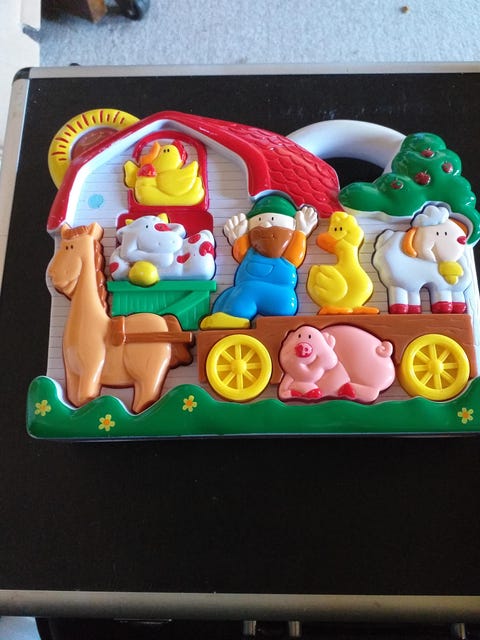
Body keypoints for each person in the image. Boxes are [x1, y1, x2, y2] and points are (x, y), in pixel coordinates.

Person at [201, 195, 317, 328]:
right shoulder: (252, 252)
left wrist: (301, 232)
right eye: (260, 220)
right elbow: (241, 254)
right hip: (248, 291)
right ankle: (224, 315)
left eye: (272, 220)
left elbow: (296, 255)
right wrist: (239, 238)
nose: (265, 225)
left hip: (281, 299)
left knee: (246, 291)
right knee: (232, 294)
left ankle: (235, 317)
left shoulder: (287, 256)